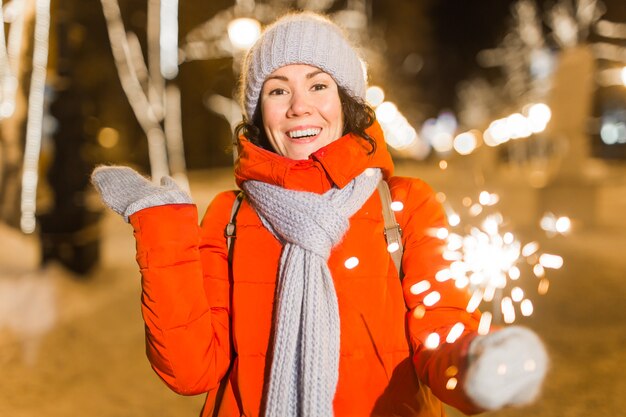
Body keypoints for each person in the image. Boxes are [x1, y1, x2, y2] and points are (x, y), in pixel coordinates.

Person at [91, 11, 548, 417]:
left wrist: (474, 363)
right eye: (277, 89)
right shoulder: (229, 216)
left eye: (317, 85)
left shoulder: (406, 205)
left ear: (346, 101)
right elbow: (191, 372)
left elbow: (441, 334)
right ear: (258, 110)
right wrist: (161, 225)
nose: (298, 106)